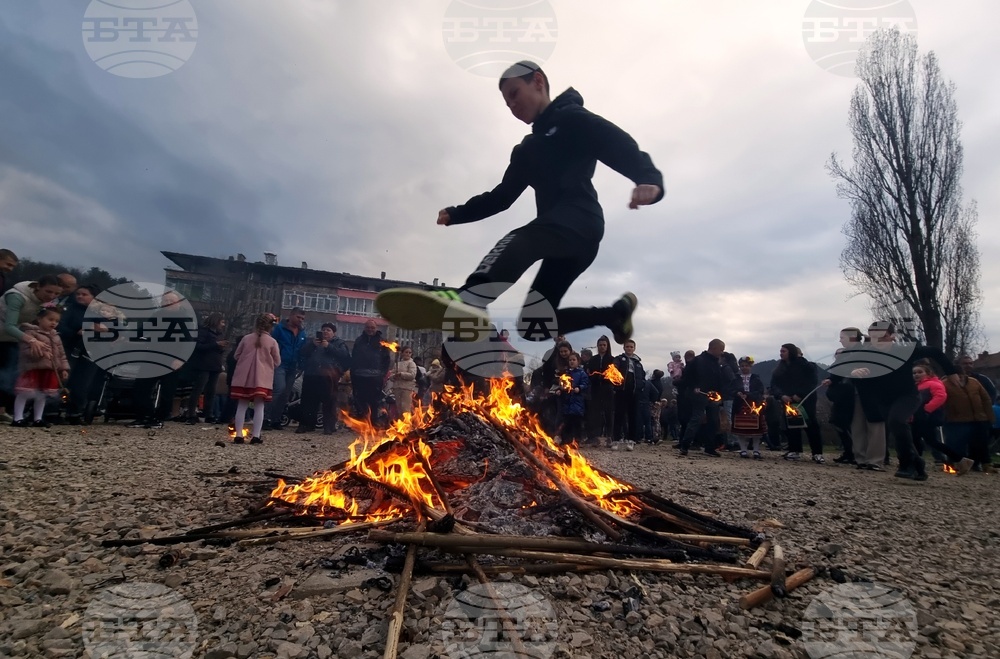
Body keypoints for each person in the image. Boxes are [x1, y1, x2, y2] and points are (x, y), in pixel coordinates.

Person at [379, 61, 664, 352]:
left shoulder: (571, 119)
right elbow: (502, 196)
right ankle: (613, 315)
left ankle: (471, 297)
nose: (511, 105)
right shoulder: (527, 150)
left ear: (538, 82)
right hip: (565, 240)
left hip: (581, 219)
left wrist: (648, 178)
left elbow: (615, 142)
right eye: (506, 102)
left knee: (521, 239)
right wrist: (458, 213)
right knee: (533, 325)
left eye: (515, 94)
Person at [848, 321, 956, 481]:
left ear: (892, 336)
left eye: (883, 337)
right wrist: (854, 372)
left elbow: (934, 352)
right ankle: (918, 465)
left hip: (908, 396)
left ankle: (906, 464)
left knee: (897, 421)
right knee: (896, 427)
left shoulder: (904, 351)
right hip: (883, 399)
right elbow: (850, 370)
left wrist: (952, 373)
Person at [0, 275, 63, 424]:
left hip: (13, 339)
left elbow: (31, 324)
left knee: (6, 375)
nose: (52, 296)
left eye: (56, 294)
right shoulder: (17, 297)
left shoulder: (43, 303)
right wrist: (32, 340)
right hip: (6, 334)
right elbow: (10, 326)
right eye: (48, 292)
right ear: (38, 287)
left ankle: (5, 411)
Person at [128, 290, 189, 429]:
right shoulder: (157, 315)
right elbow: (142, 330)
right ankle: (143, 415)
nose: (167, 303)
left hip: (173, 358)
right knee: (140, 387)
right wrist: (125, 336)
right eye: (165, 301)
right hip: (153, 356)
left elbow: (189, 341)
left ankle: (159, 417)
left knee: (167, 392)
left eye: (170, 301)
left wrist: (180, 359)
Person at [10, 305, 69, 427]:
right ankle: (18, 418)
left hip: (49, 370)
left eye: (56, 321)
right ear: (39, 319)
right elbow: (26, 351)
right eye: (50, 319)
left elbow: (61, 354)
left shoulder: (56, 336)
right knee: (24, 393)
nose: (53, 323)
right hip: (32, 368)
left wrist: (63, 368)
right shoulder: (30, 333)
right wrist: (42, 353)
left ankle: (38, 418)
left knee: (42, 394)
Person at [911, 360, 972, 475]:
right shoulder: (917, 386)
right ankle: (960, 460)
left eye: (920, 372)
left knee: (923, 440)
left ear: (928, 373)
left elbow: (940, 397)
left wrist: (926, 409)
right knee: (924, 440)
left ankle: (916, 463)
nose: (916, 375)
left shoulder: (933, 384)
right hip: (919, 417)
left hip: (927, 417)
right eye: (914, 373)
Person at [230, 313, 281, 444]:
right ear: (271, 326)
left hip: (243, 377)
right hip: (262, 378)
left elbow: (236, 355)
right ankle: (256, 435)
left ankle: (239, 434)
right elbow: (277, 361)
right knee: (259, 406)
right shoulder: (272, 342)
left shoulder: (246, 338)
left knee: (242, 405)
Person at [57, 284, 103, 423]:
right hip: (70, 347)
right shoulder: (71, 309)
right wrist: (76, 332)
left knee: (82, 383)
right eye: (78, 294)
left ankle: (75, 412)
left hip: (91, 351)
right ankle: (53, 410)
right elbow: (61, 326)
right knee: (63, 380)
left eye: (84, 294)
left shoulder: (104, 312)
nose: (79, 297)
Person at [771, 343, 824, 463]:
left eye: (784, 351)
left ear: (791, 352)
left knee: (811, 425)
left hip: (806, 400)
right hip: (787, 401)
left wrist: (799, 394)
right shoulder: (779, 368)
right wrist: (781, 395)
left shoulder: (807, 366)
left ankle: (817, 453)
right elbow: (774, 385)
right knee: (792, 425)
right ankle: (795, 450)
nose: (781, 353)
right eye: (780, 351)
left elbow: (811, 382)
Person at [941, 363, 995, 474]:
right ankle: (954, 464)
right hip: (956, 420)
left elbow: (986, 399)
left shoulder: (974, 382)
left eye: (960, 375)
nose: (959, 378)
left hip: (979, 418)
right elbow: (941, 401)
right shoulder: (944, 384)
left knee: (981, 443)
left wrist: (990, 417)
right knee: (956, 444)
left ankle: (984, 464)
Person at [297, 323, 351, 434]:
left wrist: (329, 347)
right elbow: (302, 352)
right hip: (311, 374)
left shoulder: (339, 343)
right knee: (308, 401)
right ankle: (306, 424)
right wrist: (312, 345)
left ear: (333, 333)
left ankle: (329, 426)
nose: (325, 332)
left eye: (328, 330)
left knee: (329, 402)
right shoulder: (313, 342)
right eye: (324, 330)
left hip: (329, 376)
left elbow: (345, 357)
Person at [677, 339, 727, 457]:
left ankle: (709, 448)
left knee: (713, 421)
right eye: (721, 349)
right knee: (696, 419)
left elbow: (718, 380)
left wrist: (720, 395)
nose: (722, 352)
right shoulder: (698, 360)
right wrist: (693, 387)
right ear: (713, 348)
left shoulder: (716, 362)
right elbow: (687, 377)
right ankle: (685, 445)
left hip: (713, 396)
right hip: (699, 395)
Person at [265, 308, 306, 430]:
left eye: (302, 318)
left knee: (285, 394)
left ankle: (276, 419)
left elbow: (302, 349)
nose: (300, 320)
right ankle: (265, 418)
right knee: (278, 389)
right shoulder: (279, 329)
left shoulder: (302, 332)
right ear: (291, 315)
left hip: (293, 366)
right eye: (298, 317)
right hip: (279, 363)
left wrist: (301, 364)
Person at [185, 313, 228, 424]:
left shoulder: (219, 334)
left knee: (211, 391)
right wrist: (215, 344)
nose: (223, 325)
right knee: (199, 389)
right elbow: (198, 346)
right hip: (203, 365)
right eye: (222, 322)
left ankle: (208, 413)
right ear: (216, 321)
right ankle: (191, 414)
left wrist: (221, 348)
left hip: (215, 364)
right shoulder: (202, 332)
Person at [351, 320, 391, 425]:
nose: (370, 330)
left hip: (375, 377)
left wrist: (382, 374)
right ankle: (363, 423)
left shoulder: (382, 342)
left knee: (374, 402)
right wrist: (353, 373)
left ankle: (373, 423)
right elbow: (354, 357)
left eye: (372, 328)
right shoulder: (359, 341)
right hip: (360, 375)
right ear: (365, 328)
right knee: (360, 400)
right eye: (368, 327)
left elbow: (386, 360)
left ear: (376, 328)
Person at [728, 356, 766, 459]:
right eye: (742, 366)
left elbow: (760, 391)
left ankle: (756, 450)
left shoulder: (756, 378)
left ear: (750, 366)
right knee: (741, 429)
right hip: (740, 406)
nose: (744, 368)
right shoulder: (736, 379)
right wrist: (737, 393)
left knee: (756, 430)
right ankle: (743, 450)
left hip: (754, 405)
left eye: (746, 366)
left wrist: (749, 395)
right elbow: (731, 390)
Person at [613, 339, 645, 449]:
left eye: (631, 347)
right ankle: (615, 440)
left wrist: (642, 386)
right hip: (621, 390)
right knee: (619, 415)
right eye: (627, 346)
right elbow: (614, 368)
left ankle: (631, 440)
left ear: (634, 348)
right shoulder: (619, 359)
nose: (629, 348)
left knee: (633, 416)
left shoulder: (638, 364)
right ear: (624, 348)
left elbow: (642, 377)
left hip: (634, 392)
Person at [585, 335, 616, 446]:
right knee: (594, 413)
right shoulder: (593, 359)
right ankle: (594, 437)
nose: (602, 347)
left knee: (609, 412)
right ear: (597, 346)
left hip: (608, 388)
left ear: (607, 346)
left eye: (604, 345)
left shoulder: (612, 360)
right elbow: (589, 373)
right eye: (600, 345)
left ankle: (609, 436)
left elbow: (614, 376)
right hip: (595, 388)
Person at [556, 352, 589, 445]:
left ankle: (577, 440)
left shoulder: (582, 373)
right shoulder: (566, 373)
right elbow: (562, 384)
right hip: (567, 403)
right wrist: (560, 390)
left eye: (574, 360)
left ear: (578, 361)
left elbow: (585, 383)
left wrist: (580, 388)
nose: (571, 362)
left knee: (577, 423)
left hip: (577, 402)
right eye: (570, 360)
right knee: (567, 423)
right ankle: (567, 441)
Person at [391, 346, 419, 418]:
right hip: (397, 387)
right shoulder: (397, 363)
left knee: (405, 408)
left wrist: (401, 374)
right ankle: (400, 425)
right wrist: (394, 376)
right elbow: (391, 375)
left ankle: (407, 425)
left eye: (410, 353)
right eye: (406, 352)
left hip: (407, 388)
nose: (408, 354)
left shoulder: (411, 363)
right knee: (399, 408)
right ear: (402, 353)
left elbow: (412, 375)